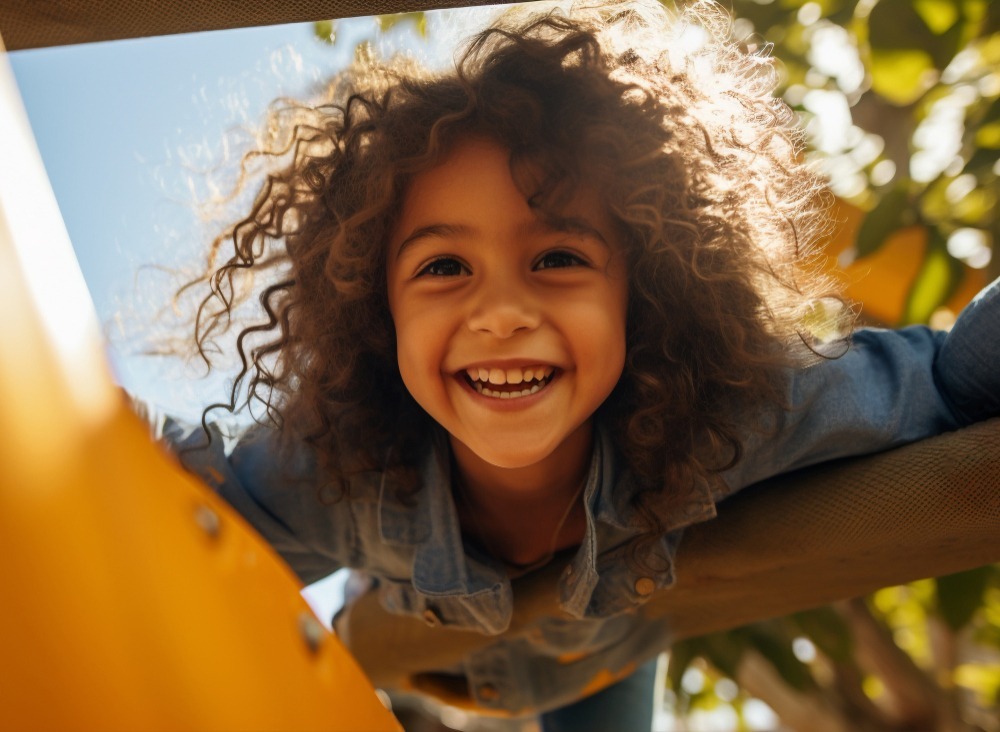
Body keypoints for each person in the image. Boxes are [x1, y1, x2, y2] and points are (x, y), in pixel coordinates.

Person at [153, 1, 1000, 729]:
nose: (502, 311)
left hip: (604, 653)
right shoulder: (340, 469)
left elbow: (942, 387)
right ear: (381, 317)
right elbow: (182, 517)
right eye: (444, 267)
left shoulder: (728, 414)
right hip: (426, 653)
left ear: (646, 293)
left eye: (557, 257)